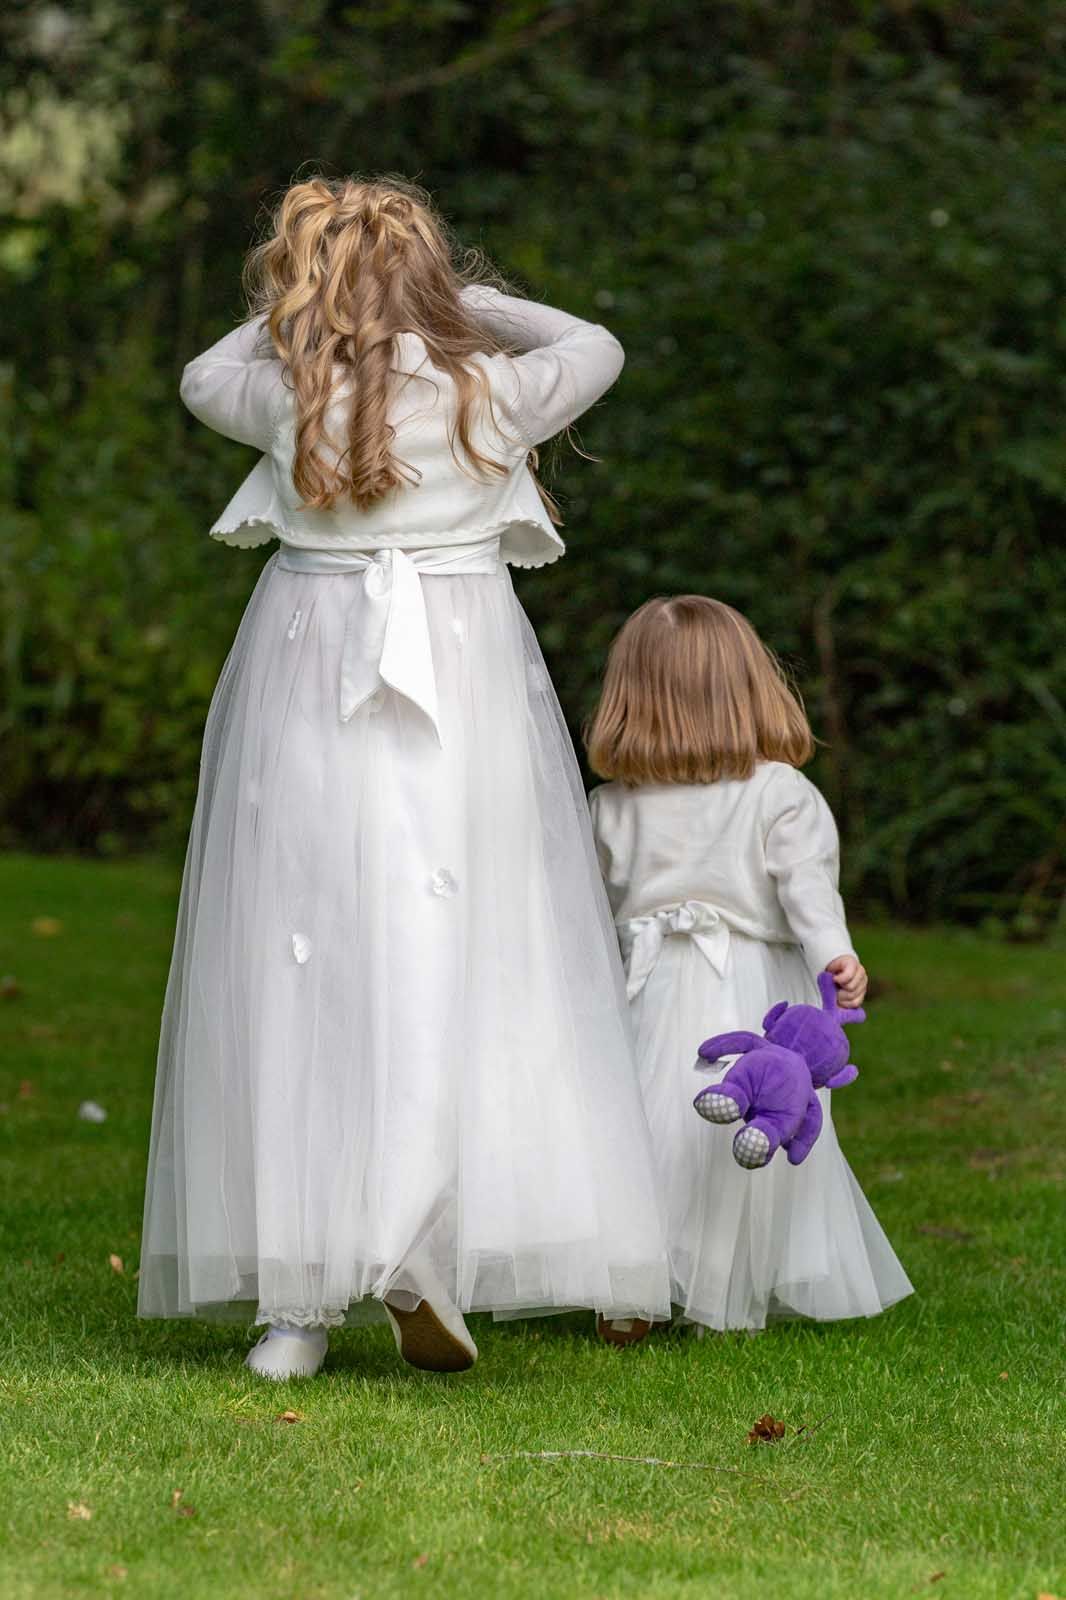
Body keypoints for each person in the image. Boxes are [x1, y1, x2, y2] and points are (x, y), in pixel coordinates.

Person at [137, 176, 670, 1376]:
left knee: (303, 950)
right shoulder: (491, 389)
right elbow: (597, 343)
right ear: (434, 282)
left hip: (307, 677)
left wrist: (303, 312)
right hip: (461, 687)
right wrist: (465, 306)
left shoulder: (281, 393)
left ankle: (298, 1304)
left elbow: (199, 374)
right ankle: (415, 1237)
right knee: (458, 944)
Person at [586, 595, 913, 1333]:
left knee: (647, 1131)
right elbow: (807, 889)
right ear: (747, 687)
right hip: (750, 991)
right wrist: (835, 955)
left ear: (630, 696)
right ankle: (720, 1290)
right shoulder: (779, 794)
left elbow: (588, 910)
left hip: (646, 988)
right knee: (744, 1120)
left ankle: (633, 1286)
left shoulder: (611, 805)